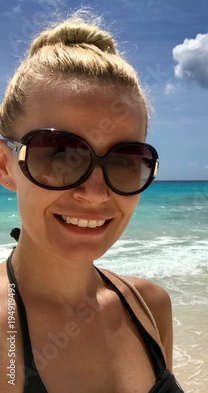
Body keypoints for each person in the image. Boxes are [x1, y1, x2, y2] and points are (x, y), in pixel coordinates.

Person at [0, 10, 183, 393]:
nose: (96, 192)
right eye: (61, 154)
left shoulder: (150, 306)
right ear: (5, 167)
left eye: (124, 160)